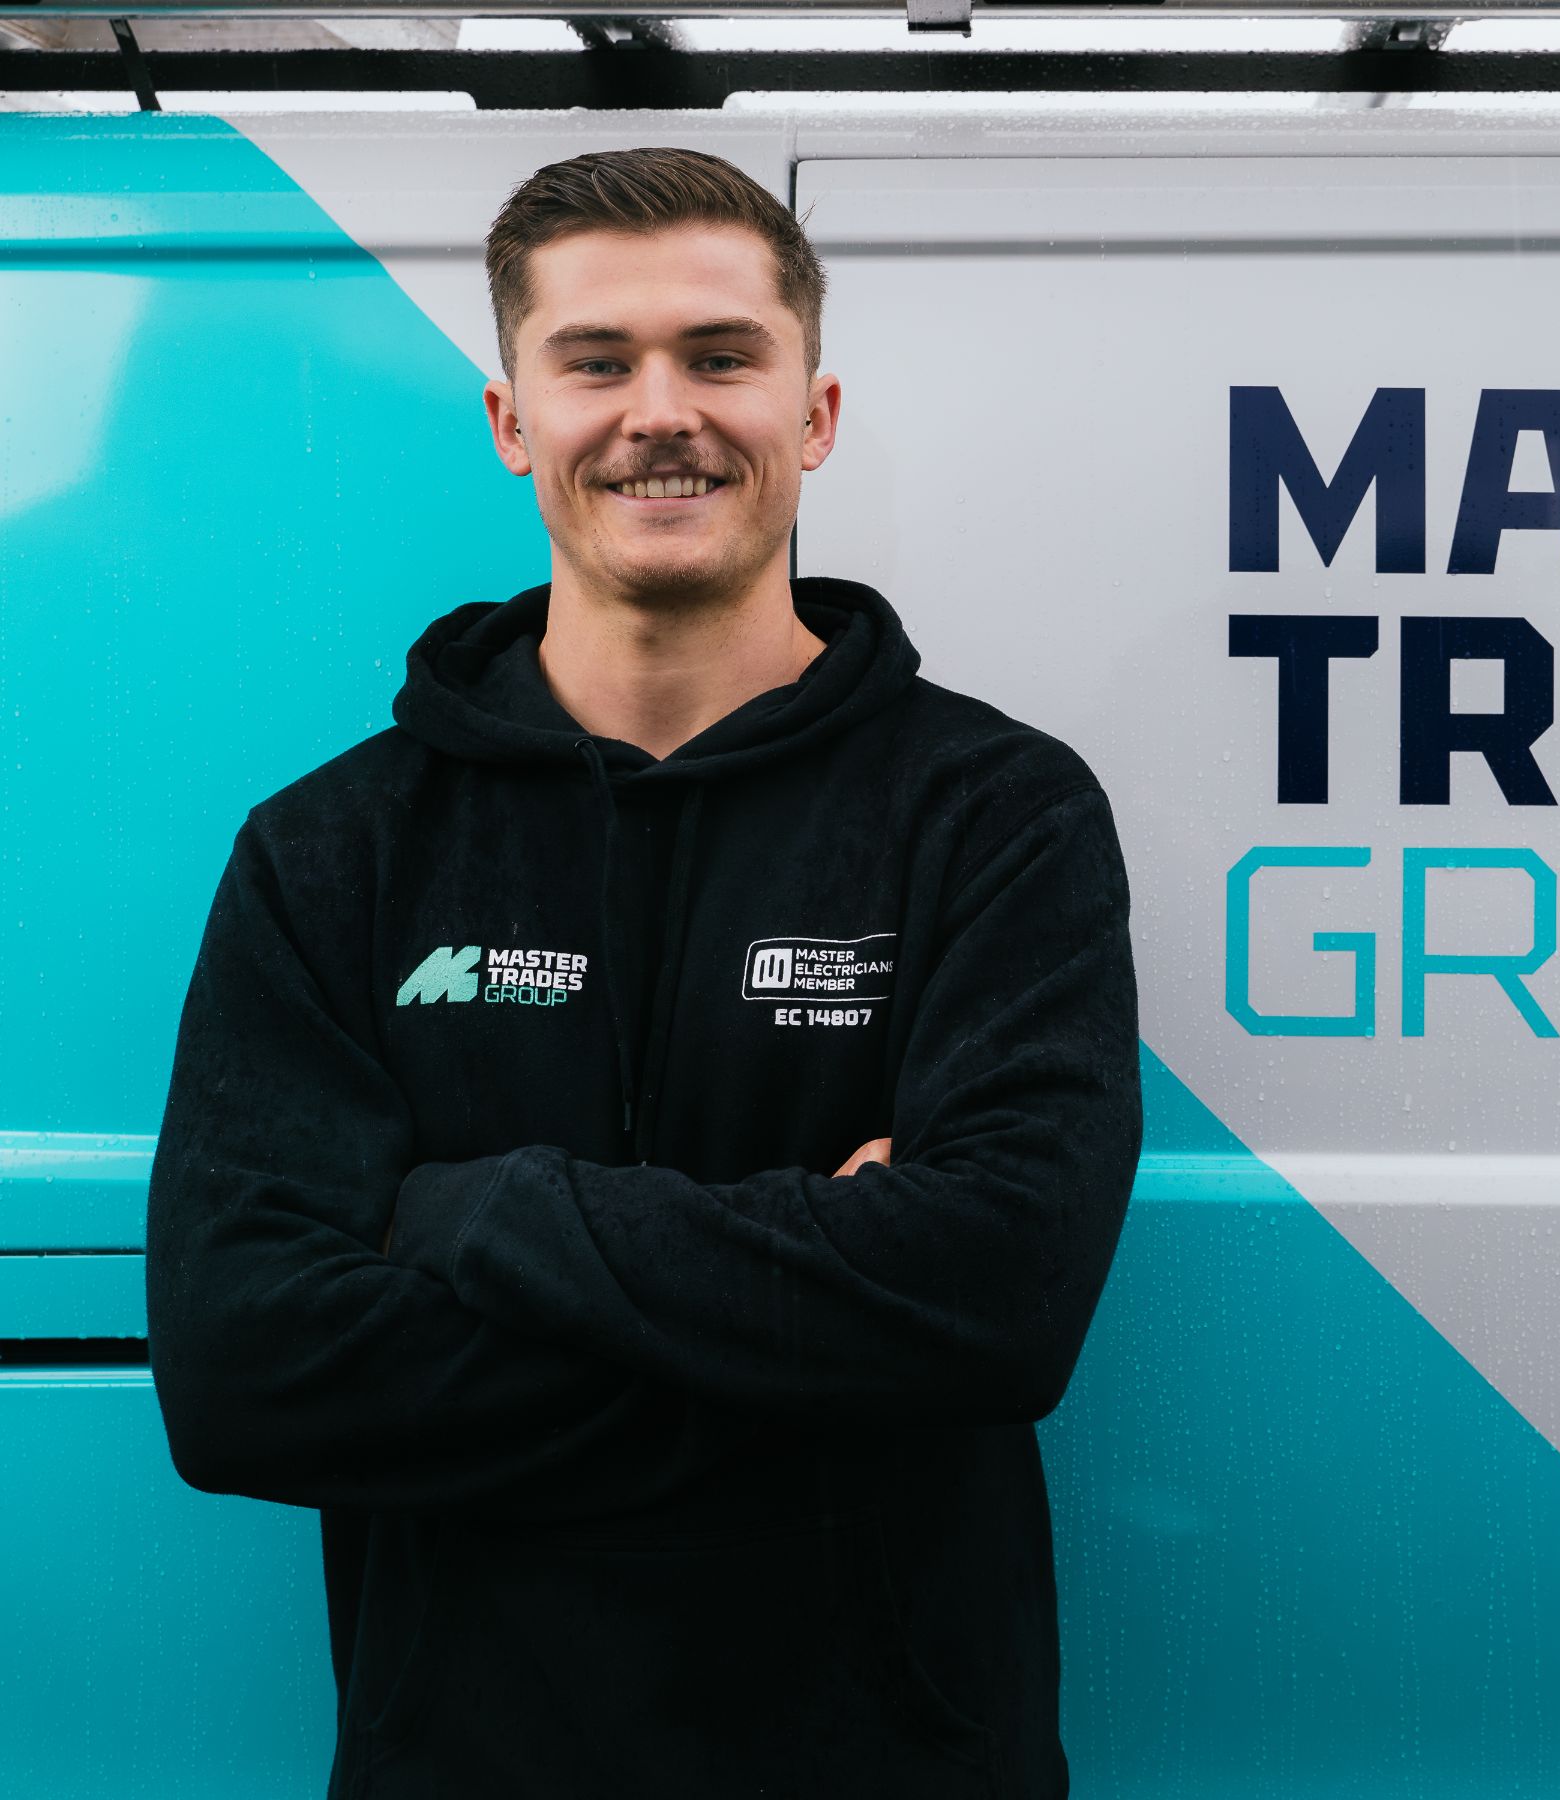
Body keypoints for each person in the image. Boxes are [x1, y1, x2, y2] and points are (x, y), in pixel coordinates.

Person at [142, 146, 1141, 1799]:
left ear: (813, 414)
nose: (659, 413)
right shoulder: (336, 849)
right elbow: (244, 1375)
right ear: (511, 419)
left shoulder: (994, 814)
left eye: (720, 356)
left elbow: (999, 1306)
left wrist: (468, 1217)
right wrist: (827, 1331)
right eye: (595, 362)